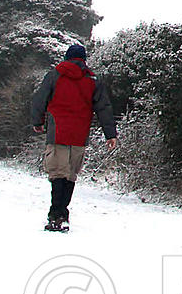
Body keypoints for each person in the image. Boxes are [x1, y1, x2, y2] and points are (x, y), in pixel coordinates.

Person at [28, 42, 117, 232]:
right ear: (84, 60)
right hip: (79, 134)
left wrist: (38, 121)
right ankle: (63, 213)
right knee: (70, 174)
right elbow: (104, 108)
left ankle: (55, 214)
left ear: (67, 57)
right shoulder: (93, 80)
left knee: (57, 173)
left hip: (57, 131)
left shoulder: (55, 75)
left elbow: (39, 99)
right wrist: (110, 134)